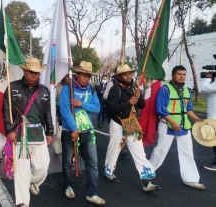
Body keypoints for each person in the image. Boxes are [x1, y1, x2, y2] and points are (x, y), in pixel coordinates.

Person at [2, 58, 53, 207]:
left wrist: (50, 131)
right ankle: (22, 203)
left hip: (38, 133)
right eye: (31, 72)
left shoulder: (44, 91)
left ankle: (32, 181)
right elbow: (6, 111)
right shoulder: (13, 87)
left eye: (36, 73)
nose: (33, 76)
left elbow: (48, 113)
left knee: (43, 167)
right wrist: (9, 130)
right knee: (21, 171)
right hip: (19, 134)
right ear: (24, 71)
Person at [105, 64, 160, 192]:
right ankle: (109, 171)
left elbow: (142, 105)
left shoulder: (134, 87)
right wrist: (128, 102)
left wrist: (139, 95)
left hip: (131, 123)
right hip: (118, 122)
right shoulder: (114, 89)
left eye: (130, 73)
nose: (129, 76)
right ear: (119, 77)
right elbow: (112, 108)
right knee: (114, 148)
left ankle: (146, 181)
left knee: (139, 150)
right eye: (125, 74)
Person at [149, 65, 205, 190]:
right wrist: (172, 122)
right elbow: (160, 109)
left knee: (188, 152)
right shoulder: (165, 89)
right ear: (172, 75)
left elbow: (188, 108)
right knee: (160, 151)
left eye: (184, 74)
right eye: (179, 74)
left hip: (184, 126)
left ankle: (191, 179)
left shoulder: (187, 90)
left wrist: (196, 118)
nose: (182, 76)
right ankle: (146, 173)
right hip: (167, 125)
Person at [60, 61, 105, 205]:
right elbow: (65, 111)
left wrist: (81, 104)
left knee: (93, 164)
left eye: (89, 76)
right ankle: (68, 185)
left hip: (88, 132)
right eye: (84, 75)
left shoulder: (91, 90)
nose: (87, 78)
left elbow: (97, 108)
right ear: (77, 75)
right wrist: (74, 129)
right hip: (70, 133)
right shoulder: (68, 89)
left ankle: (91, 193)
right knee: (67, 163)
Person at [200, 71, 216, 170]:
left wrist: (209, 78)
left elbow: (204, 88)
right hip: (213, 114)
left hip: (214, 115)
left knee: (214, 140)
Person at [53, 74, 69, 155]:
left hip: (69, 110)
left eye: (68, 76)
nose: (67, 78)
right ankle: (57, 148)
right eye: (65, 76)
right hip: (59, 110)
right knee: (60, 130)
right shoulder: (57, 86)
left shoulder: (71, 86)